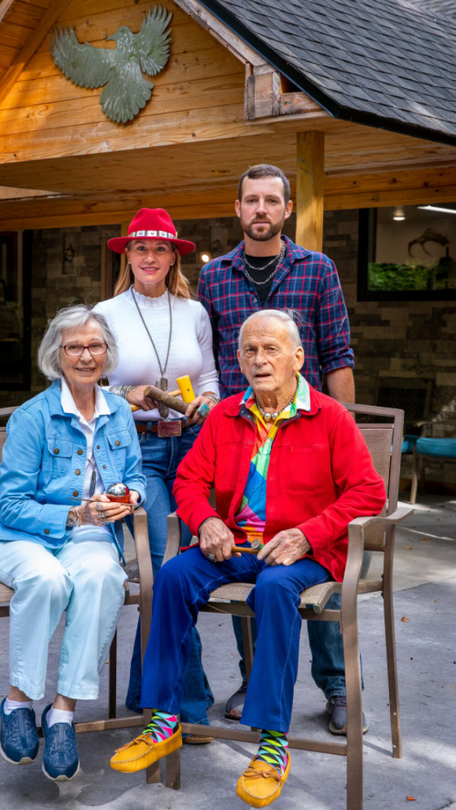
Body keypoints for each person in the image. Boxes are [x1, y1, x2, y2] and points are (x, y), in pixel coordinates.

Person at [109, 311, 386, 807]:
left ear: (298, 358)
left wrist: (308, 532)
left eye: (271, 349)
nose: (260, 360)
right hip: (237, 543)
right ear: (238, 360)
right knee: (171, 576)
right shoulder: (225, 414)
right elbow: (188, 481)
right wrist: (204, 521)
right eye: (250, 351)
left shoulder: (329, 416)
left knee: (276, 588)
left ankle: (273, 743)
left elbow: (368, 493)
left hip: (306, 550)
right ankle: (165, 717)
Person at [198, 163, 361, 734]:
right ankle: (254, 677)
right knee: (250, 551)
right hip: (244, 434)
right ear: (238, 209)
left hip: (309, 433)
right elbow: (210, 359)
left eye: (271, 201)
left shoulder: (318, 269)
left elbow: (337, 354)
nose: (260, 210)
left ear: (286, 209)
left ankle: (337, 685)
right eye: (251, 201)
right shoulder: (214, 277)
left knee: (309, 549)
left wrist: (348, 431)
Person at [0, 304, 146, 782]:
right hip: (19, 538)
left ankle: (62, 714)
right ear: (57, 354)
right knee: (47, 578)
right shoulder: (34, 417)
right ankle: (17, 702)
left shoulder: (119, 413)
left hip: (89, 536)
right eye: (74, 346)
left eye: (95, 345)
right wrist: (74, 512)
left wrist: (128, 496)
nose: (86, 355)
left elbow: (136, 477)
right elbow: (10, 506)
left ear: (107, 353)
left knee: (100, 576)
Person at [93, 208, 220, 741]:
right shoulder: (103, 312)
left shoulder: (193, 312)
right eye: (140, 248)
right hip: (134, 452)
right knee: (166, 569)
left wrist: (208, 401)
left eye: (160, 249)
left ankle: (148, 696)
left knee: (170, 576)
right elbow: (86, 384)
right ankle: (187, 707)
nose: (150, 257)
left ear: (173, 257)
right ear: (128, 255)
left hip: (191, 448)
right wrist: (128, 394)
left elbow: (209, 373)